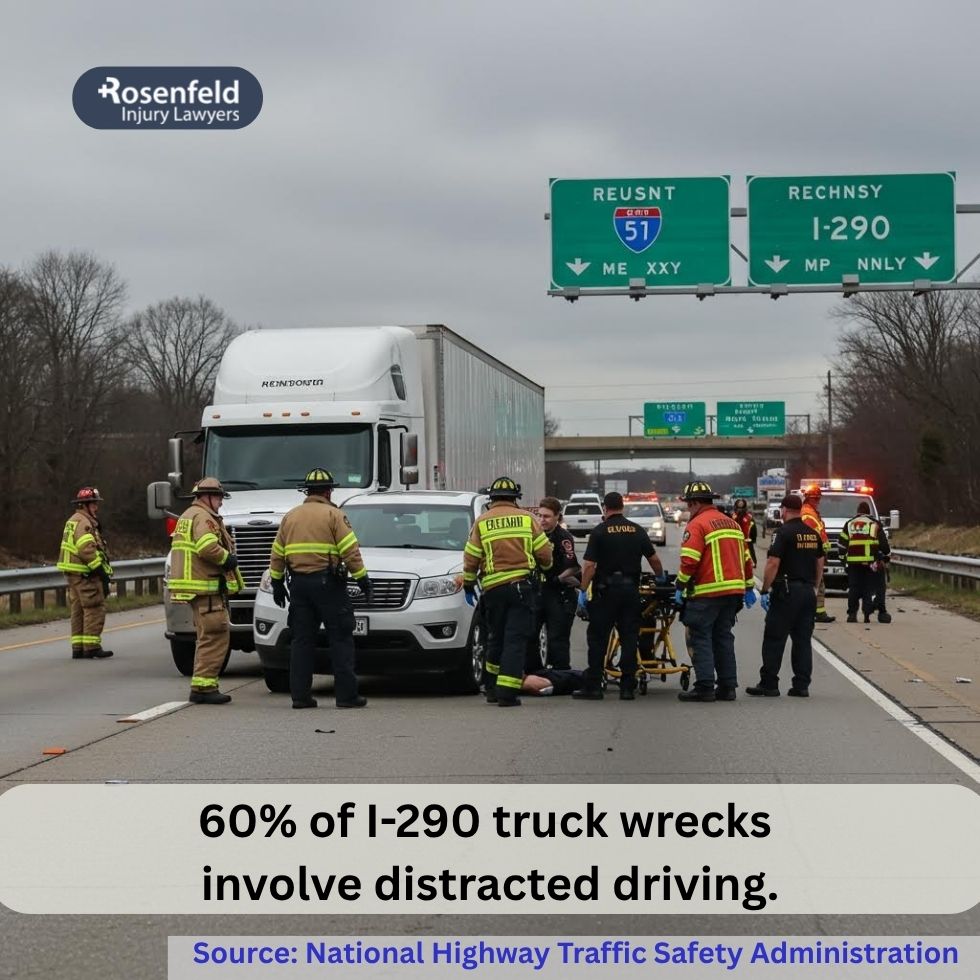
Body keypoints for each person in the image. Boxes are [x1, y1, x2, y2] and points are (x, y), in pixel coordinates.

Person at [270, 467, 370, 710]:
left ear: (307, 491)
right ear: (328, 491)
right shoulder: (334, 515)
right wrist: (362, 578)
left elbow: (277, 553)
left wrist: (276, 582)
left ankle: (300, 697)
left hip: (299, 587)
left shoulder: (290, 517)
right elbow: (350, 550)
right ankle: (346, 697)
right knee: (340, 638)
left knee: (302, 641)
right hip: (329, 587)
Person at [461, 477, 553, 707]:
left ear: (491, 499)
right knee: (515, 640)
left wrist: (469, 583)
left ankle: (491, 688)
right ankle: (507, 694)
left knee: (496, 639)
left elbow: (471, 557)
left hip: (492, 590)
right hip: (521, 588)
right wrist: (546, 570)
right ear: (515, 499)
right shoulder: (527, 519)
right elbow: (545, 555)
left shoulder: (482, 522)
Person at [573, 491, 664, 701]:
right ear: (623, 506)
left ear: (605, 508)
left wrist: (582, 590)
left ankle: (594, 687)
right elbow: (655, 560)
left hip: (605, 593)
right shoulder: (637, 530)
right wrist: (659, 579)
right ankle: (627, 688)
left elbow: (589, 566)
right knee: (630, 638)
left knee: (598, 639)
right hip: (630, 592)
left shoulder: (600, 531)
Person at [673, 481, 755, 703]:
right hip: (733, 594)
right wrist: (748, 586)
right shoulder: (733, 524)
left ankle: (705, 687)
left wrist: (680, 586)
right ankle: (727, 687)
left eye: (689, 505)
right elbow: (747, 560)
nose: (688, 509)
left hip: (706, 594)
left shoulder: (697, 524)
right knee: (723, 638)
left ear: (696, 503)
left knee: (701, 638)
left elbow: (689, 561)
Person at [167, 478, 243, 703]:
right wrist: (227, 559)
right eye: (218, 497)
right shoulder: (203, 517)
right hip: (206, 587)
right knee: (215, 635)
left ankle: (203, 686)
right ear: (207, 497)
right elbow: (206, 546)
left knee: (206, 636)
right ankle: (204, 688)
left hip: (196, 588)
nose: (220, 502)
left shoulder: (188, 516)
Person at [747, 494, 823, 698]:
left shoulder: (783, 532)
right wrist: (814, 586)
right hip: (808, 592)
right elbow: (820, 561)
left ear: (784, 510)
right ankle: (801, 685)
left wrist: (764, 590)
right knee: (802, 640)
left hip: (787, 592)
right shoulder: (812, 533)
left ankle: (769, 683)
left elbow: (773, 562)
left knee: (774, 637)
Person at [56, 486, 114, 660]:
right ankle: (91, 646)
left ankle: (78, 648)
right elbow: (86, 550)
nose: (96, 507)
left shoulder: (73, 520)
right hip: (85, 574)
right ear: (84, 505)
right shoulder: (84, 523)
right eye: (93, 504)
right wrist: (100, 572)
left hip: (73, 574)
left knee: (78, 609)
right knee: (94, 607)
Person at [533, 496, 580, 671]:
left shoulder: (564, 537)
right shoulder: (534, 535)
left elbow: (573, 567)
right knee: (530, 635)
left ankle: (561, 674)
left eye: (547, 516)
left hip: (559, 594)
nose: (542, 520)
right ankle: (535, 672)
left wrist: (558, 579)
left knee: (557, 638)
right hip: (537, 592)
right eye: (540, 516)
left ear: (557, 517)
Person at [839, 500, 892, 624]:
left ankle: (852, 614)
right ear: (869, 512)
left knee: (854, 588)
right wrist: (885, 557)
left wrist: (843, 561)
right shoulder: (874, 524)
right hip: (870, 563)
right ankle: (868, 613)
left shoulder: (849, 524)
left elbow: (842, 546)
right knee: (870, 588)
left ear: (858, 512)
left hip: (853, 563)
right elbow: (884, 546)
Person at [801, 485, 835, 623]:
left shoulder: (811, 512)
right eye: (816, 498)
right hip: (813, 554)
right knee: (817, 583)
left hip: (814, 553)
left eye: (818, 498)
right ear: (810, 499)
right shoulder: (808, 514)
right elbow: (814, 534)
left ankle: (817, 611)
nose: (818, 501)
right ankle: (817, 613)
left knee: (818, 583)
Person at [732, 498, 757, 565]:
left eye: (741, 504)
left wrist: (753, 539)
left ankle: (752, 563)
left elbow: (754, 529)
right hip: (735, 540)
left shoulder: (749, 517)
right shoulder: (732, 516)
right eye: (739, 504)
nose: (740, 510)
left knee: (750, 561)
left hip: (747, 541)